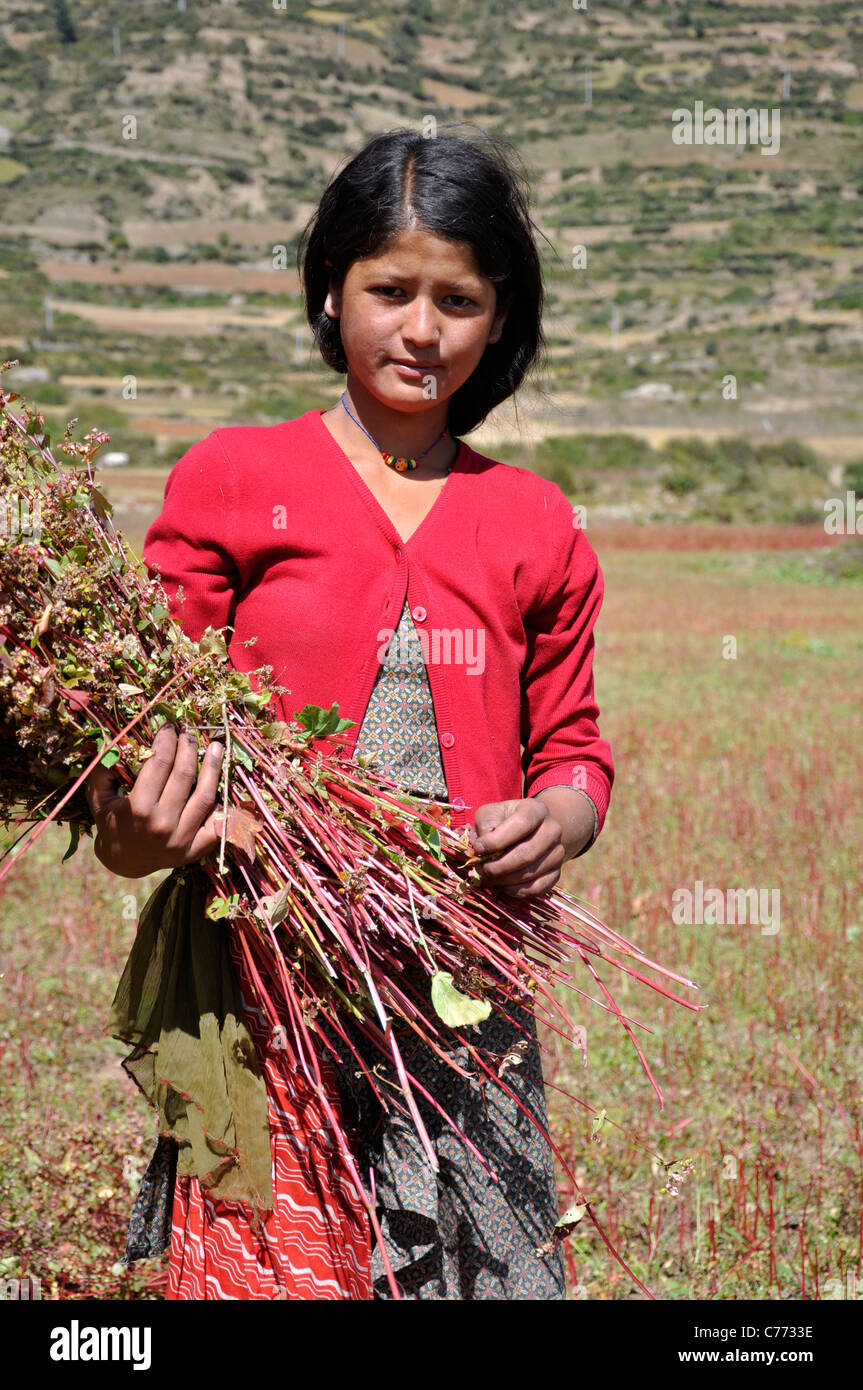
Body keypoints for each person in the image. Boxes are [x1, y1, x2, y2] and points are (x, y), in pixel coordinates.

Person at [85, 126, 614, 1300]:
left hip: (460, 975)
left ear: (499, 317)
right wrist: (145, 832)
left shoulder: (532, 520)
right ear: (331, 290)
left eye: (458, 299)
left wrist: (556, 820)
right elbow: (146, 749)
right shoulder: (229, 475)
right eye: (390, 289)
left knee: (477, 1268)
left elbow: (575, 752)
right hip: (266, 967)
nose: (421, 329)